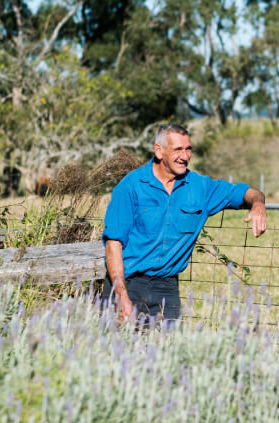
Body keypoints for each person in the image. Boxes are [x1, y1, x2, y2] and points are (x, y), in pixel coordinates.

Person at [101, 123, 267, 323]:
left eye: (188, 149)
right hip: (129, 284)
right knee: (120, 351)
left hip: (167, 288)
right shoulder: (131, 187)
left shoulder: (200, 187)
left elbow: (244, 192)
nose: (185, 156)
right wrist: (122, 298)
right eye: (178, 149)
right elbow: (113, 245)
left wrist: (258, 203)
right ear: (159, 151)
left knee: (168, 351)